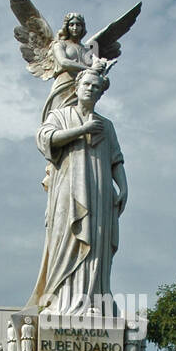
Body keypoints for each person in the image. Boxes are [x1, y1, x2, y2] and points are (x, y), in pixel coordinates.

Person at [26, 66, 127, 316]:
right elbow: (45, 139)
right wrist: (83, 130)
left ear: (101, 93)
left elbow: (116, 160)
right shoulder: (60, 116)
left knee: (96, 243)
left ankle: (91, 302)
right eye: (86, 85)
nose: (90, 89)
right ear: (77, 87)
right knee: (66, 239)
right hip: (67, 190)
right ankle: (61, 302)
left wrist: (123, 187)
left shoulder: (107, 125)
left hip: (100, 194)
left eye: (96, 87)